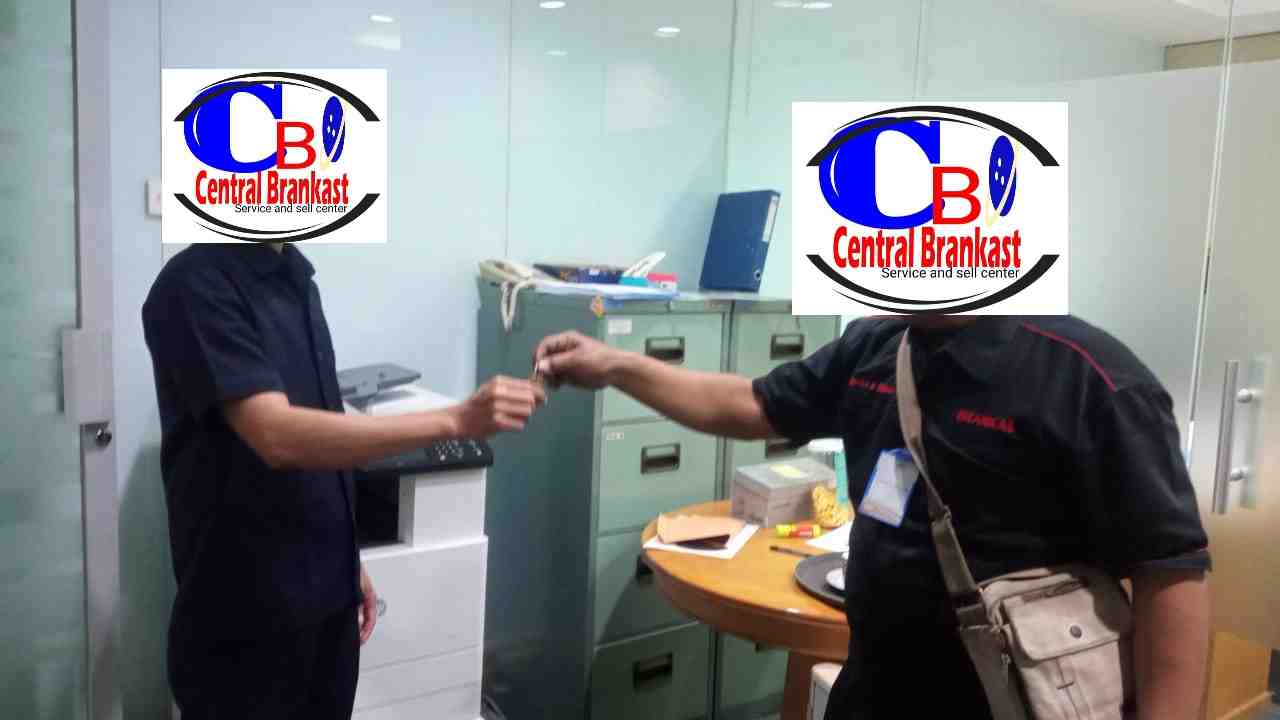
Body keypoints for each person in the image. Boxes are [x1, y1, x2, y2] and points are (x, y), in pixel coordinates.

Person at [533, 315, 1210, 720]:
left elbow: (1171, 572)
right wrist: (617, 366)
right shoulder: (879, 346)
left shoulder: (1089, 375)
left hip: (1016, 699)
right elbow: (749, 404)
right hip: (875, 689)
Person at [143, 242, 544, 720]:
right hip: (246, 619)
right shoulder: (194, 284)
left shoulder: (298, 280)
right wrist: (455, 420)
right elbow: (276, 435)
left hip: (327, 608)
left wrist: (347, 556)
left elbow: (323, 431)